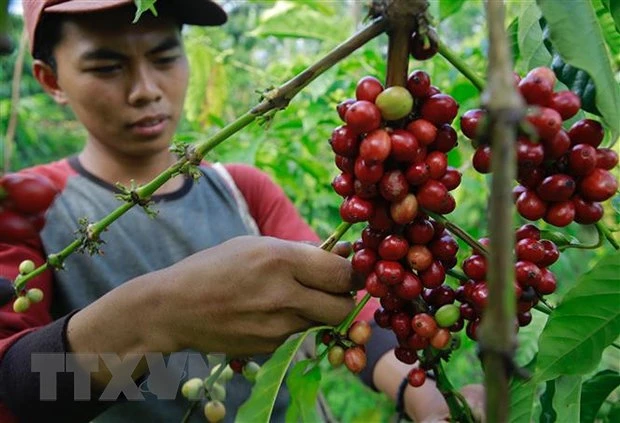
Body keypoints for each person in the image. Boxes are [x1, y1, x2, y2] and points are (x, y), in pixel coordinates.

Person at [0, 1, 483, 422]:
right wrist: (158, 317)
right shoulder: (28, 206)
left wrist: (417, 394)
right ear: (50, 79)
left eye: (165, 56)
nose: (145, 89)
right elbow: (14, 389)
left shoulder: (241, 189)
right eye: (107, 67)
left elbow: (346, 297)